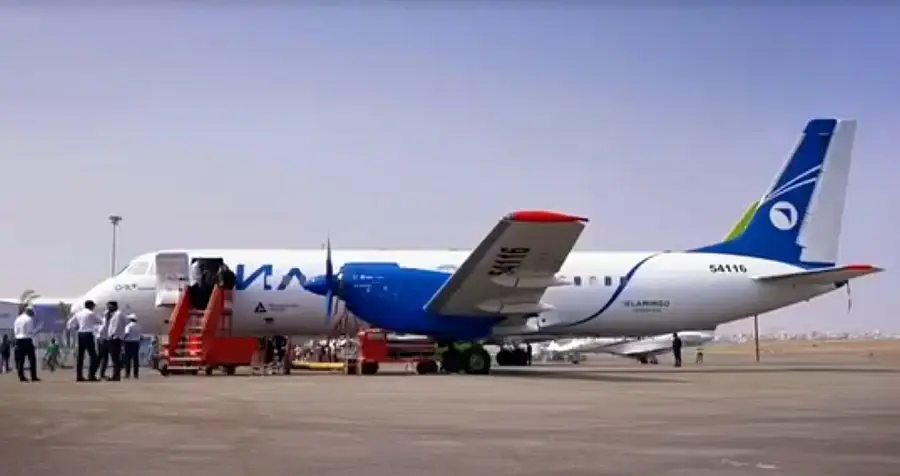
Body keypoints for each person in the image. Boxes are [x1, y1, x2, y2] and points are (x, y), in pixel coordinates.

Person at [68, 300, 101, 381]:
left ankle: (79, 376)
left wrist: (76, 328)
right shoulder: (91, 313)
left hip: (80, 334)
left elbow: (69, 323)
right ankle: (91, 375)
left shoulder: (78, 313)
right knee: (93, 356)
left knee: (80, 356)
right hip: (88, 334)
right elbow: (100, 321)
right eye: (93, 306)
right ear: (91, 306)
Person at [13, 307, 40, 382]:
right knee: (32, 358)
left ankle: (21, 376)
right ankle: (33, 376)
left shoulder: (17, 319)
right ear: (30, 312)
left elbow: (15, 331)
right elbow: (30, 332)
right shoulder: (29, 319)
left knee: (20, 360)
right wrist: (37, 330)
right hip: (27, 340)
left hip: (18, 340)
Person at [106, 301, 126, 381]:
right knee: (114, 358)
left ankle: (116, 376)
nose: (108, 308)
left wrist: (112, 335)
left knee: (115, 358)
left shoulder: (118, 314)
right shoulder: (114, 315)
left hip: (115, 338)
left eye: (109, 307)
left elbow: (117, 326)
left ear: (114, 306)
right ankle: (115, 375)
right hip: (114, 337)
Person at [96, 305, 113, 379]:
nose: (109, 315)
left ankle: (101, 374)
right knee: (102, 358)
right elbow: (101, 330)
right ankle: (98, 373)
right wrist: (100, 338)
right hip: (103, 340)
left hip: (105, 340)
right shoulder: (104, 321)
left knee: (104, 358)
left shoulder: (109, 321)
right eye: (108, 314)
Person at [123, 314, 142, 379]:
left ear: (130, 319)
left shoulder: (128, 326)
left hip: (128, 343)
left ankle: (127, 374)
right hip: (136, 343)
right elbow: (140, 336)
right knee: (136, 359)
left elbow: (126, 333)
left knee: (128, 359)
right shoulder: (139, 326)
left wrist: (122, 339)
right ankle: (136, 374)